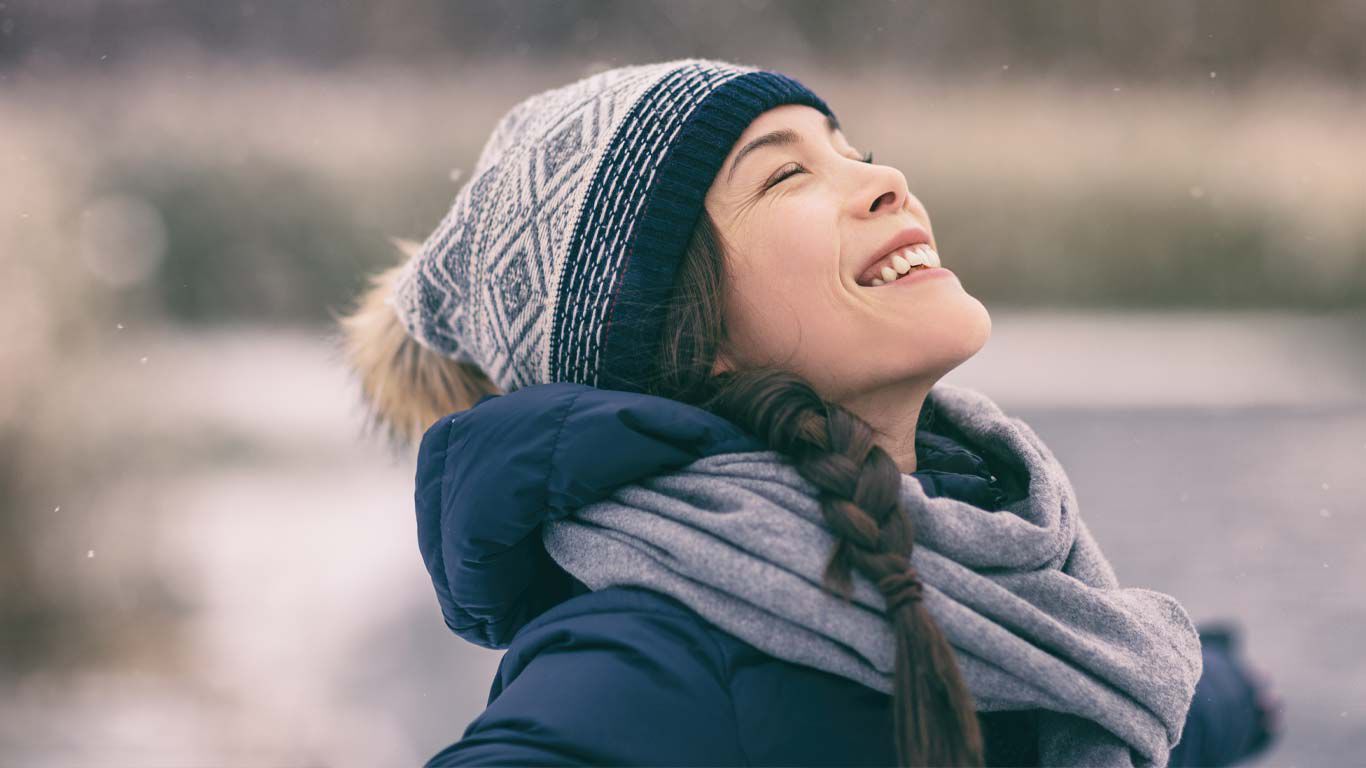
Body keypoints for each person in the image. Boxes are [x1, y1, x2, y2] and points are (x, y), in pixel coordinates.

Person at [336, 58, 1282, 767]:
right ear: (679, 330)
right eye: (786, 176)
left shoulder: (1008, 591)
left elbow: (1042, 702)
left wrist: (1228, 691)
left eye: (853, 153)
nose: (887, 181)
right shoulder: (656, 658)